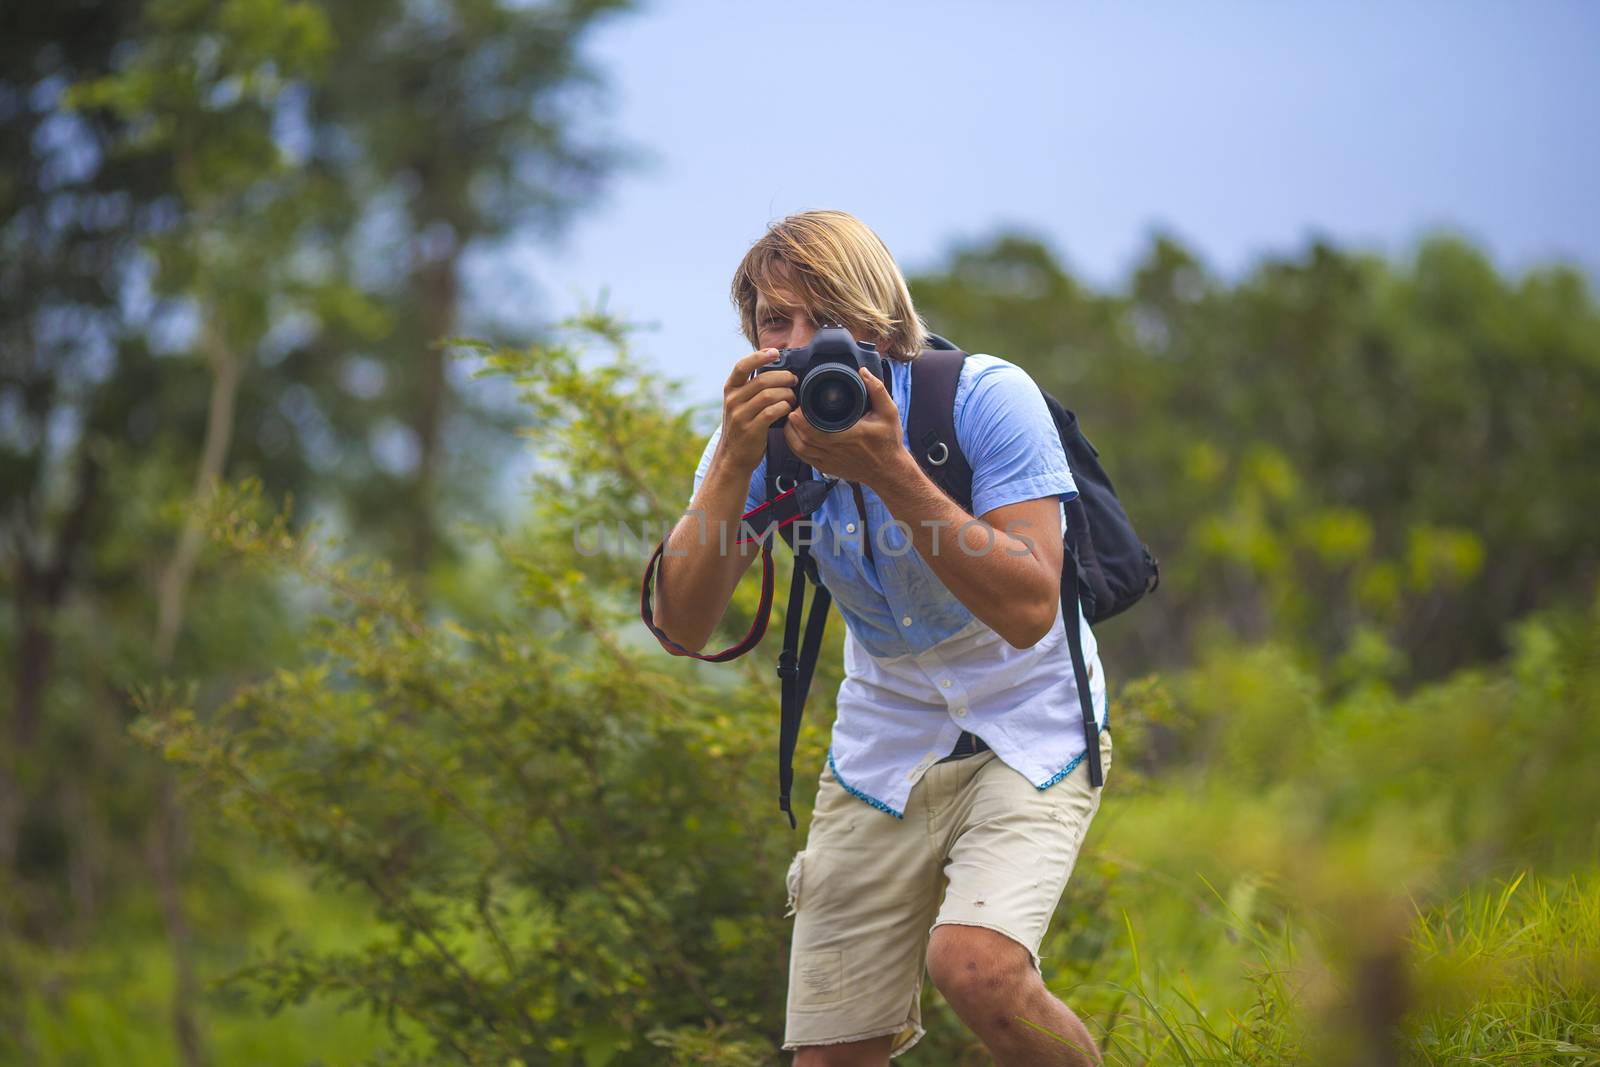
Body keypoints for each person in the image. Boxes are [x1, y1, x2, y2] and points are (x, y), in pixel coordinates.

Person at [650, 210, 1112, 1066]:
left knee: (977, 967)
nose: (800, 344)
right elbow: (681, 626)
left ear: (880, 319)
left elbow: (1029, 609)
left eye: (825, 318)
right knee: (831, 1055)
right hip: (885, 734)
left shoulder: (979, 397)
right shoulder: (757, 439)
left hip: (1030, 716)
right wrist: (731, 465)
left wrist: (890, 472)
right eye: (774, 322)